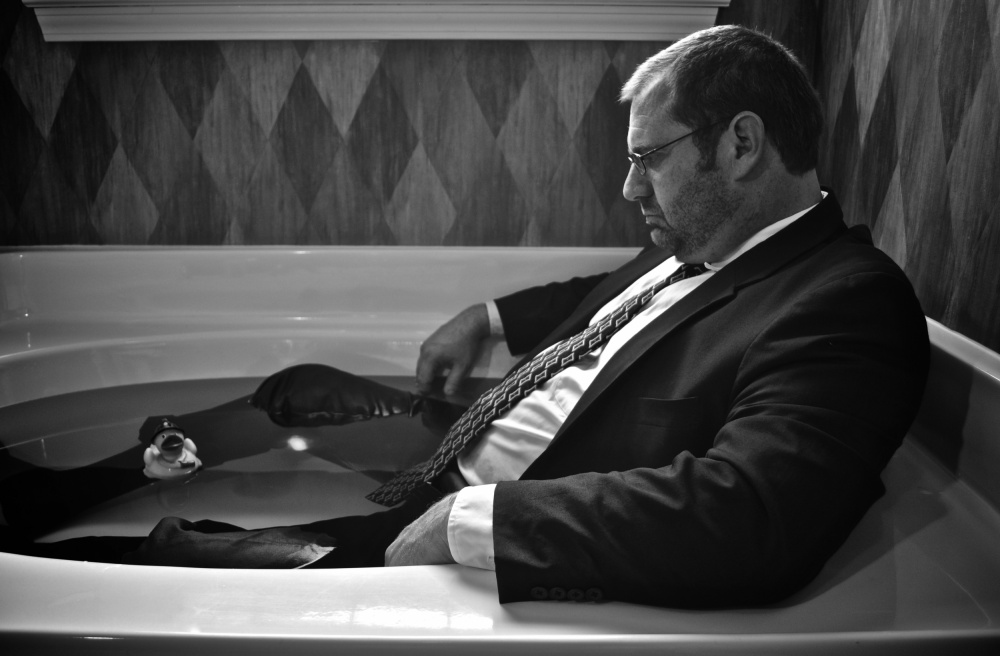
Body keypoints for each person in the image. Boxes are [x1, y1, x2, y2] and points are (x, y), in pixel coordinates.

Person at [1, 25, 929, 609]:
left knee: (197, 560)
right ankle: (64, 490)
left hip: (480, 501)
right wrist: (483, 315)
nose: (628, 186)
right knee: (299, 391)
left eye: (648, 158)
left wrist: (469, 520)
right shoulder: (705, 240)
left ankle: (57, 568)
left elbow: (754, 516)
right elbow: (594, 300)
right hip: (455, 439)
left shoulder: (845, 302)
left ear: (741, 144)